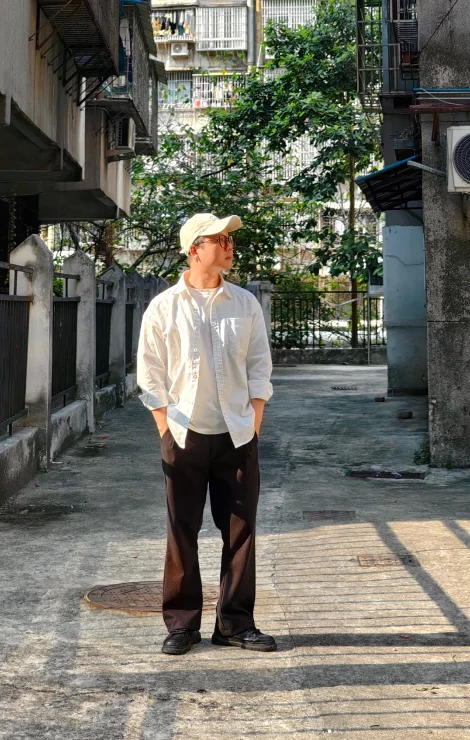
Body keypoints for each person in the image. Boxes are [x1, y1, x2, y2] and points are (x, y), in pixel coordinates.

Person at [137, 212, 276, 656]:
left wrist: (253, 422)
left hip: (237, 434)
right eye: (221, 239)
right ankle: (182, 624)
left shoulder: (245, 304)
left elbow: (259, 367)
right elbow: (150, 374)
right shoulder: (164, 307)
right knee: (182, 529)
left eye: (230, 239)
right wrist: (166, 428)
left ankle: (235, 624)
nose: (230, 246)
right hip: (184, 434)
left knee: (241, 532)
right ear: (195, 249)